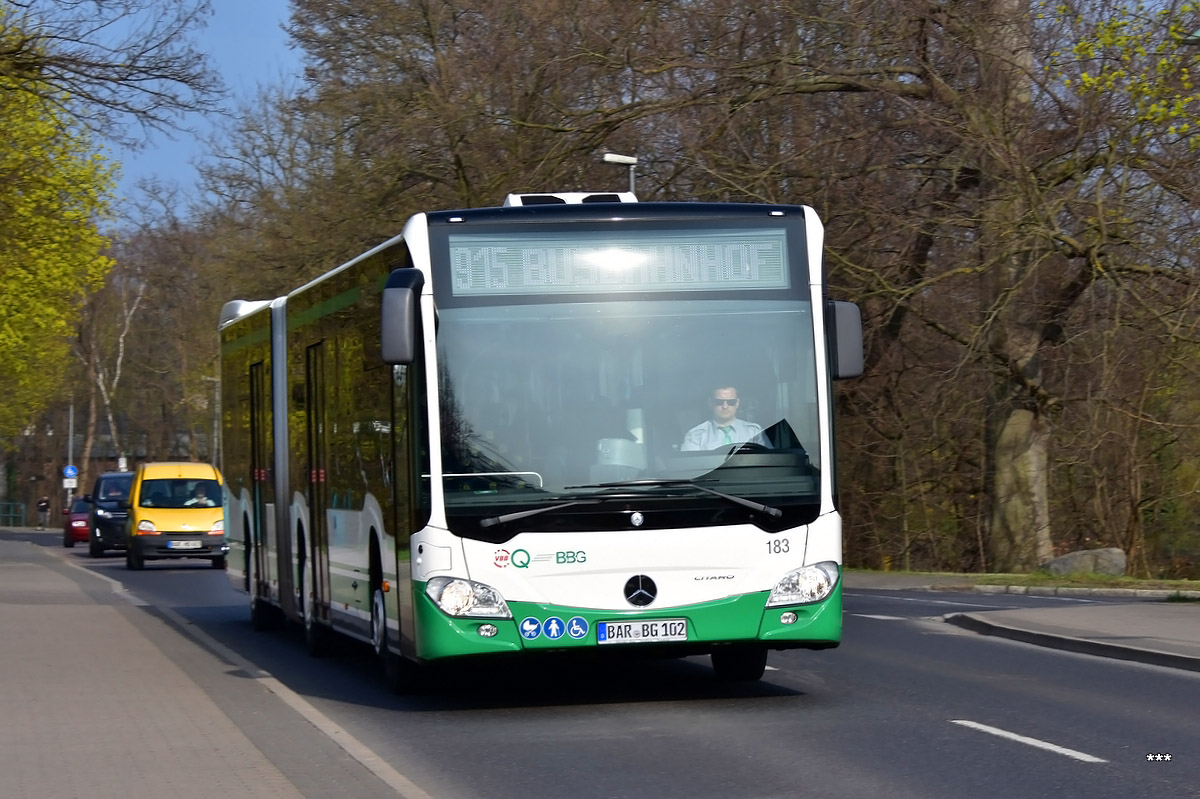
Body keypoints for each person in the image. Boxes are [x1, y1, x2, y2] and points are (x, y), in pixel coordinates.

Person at [680, 385, 769, 451]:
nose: (725, 406)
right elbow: (690, 470)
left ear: (737, 403)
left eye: (731, 402)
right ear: (710, 402)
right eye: (719, 402)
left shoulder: (754, 432)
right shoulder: (695, 436)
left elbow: (766, 462)